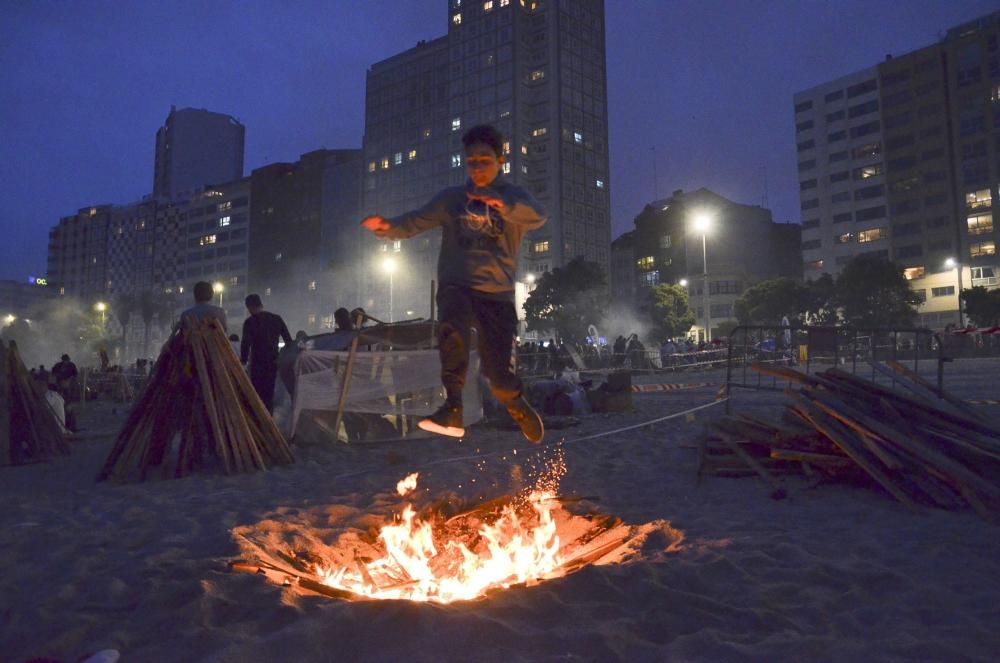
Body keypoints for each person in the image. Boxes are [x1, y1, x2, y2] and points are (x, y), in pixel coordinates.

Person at [360, 123, 547, 443]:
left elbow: (537, 216)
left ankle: (514, 401)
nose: (477, 167)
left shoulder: (513, 195)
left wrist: (501, 204)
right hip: (457, 284)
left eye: (484, 160)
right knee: (452, 324)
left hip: (497, 294)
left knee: (499, 378)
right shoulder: (453, 199)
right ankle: (454, 406)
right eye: (471, 160)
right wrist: (388, 226)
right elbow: (416, 220)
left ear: (500, 160)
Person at [240, 294, 292, 413]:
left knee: (257, 395)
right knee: (269, 395)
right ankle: (269, 421)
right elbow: (288, 341)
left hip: (257, 365)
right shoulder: (277, 319)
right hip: (273, 363)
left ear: (249, 307)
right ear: (261, 304)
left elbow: (245, 345)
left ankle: (258, 422)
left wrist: (242, 362)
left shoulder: (249, 322)